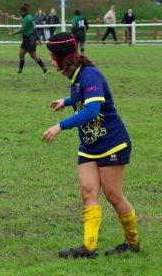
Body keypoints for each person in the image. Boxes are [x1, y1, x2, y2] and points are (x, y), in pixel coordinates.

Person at [43, 32, 139, 258]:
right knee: (88, 192)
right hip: (89, 144)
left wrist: (61, 125)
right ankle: (88, 247)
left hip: (112, 143)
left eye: (50, 55)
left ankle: (132, 242)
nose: (48, 59)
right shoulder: (75, 75)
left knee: (114, 196)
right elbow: (83, 98)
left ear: (62, 57)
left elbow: (92, 110)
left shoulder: (89, 75)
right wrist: (66, 101)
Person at [8, 5, 49, 76]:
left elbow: (22, 29)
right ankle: (19, 72)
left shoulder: (27, 18)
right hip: (28, 38)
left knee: (33, 55)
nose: (20, 13)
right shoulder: (30, 17)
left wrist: (12, 33)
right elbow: (34, 28)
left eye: (20, 12)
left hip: (30, 39)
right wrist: (38, 38)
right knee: (21, 54)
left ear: (23, 11)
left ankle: (45, 70)